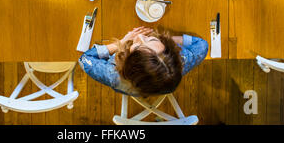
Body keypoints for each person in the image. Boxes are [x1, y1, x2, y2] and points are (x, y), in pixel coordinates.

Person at [78, 26, 208, 97]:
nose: (140, 36)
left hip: (127, 88)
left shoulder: (113, 74)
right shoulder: (181, 61)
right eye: (152, 41)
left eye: (138, 47)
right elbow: (202, 44)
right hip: (162, 88)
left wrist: (121, 44)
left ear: (128, 62)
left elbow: (84, 59)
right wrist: (167, 39)